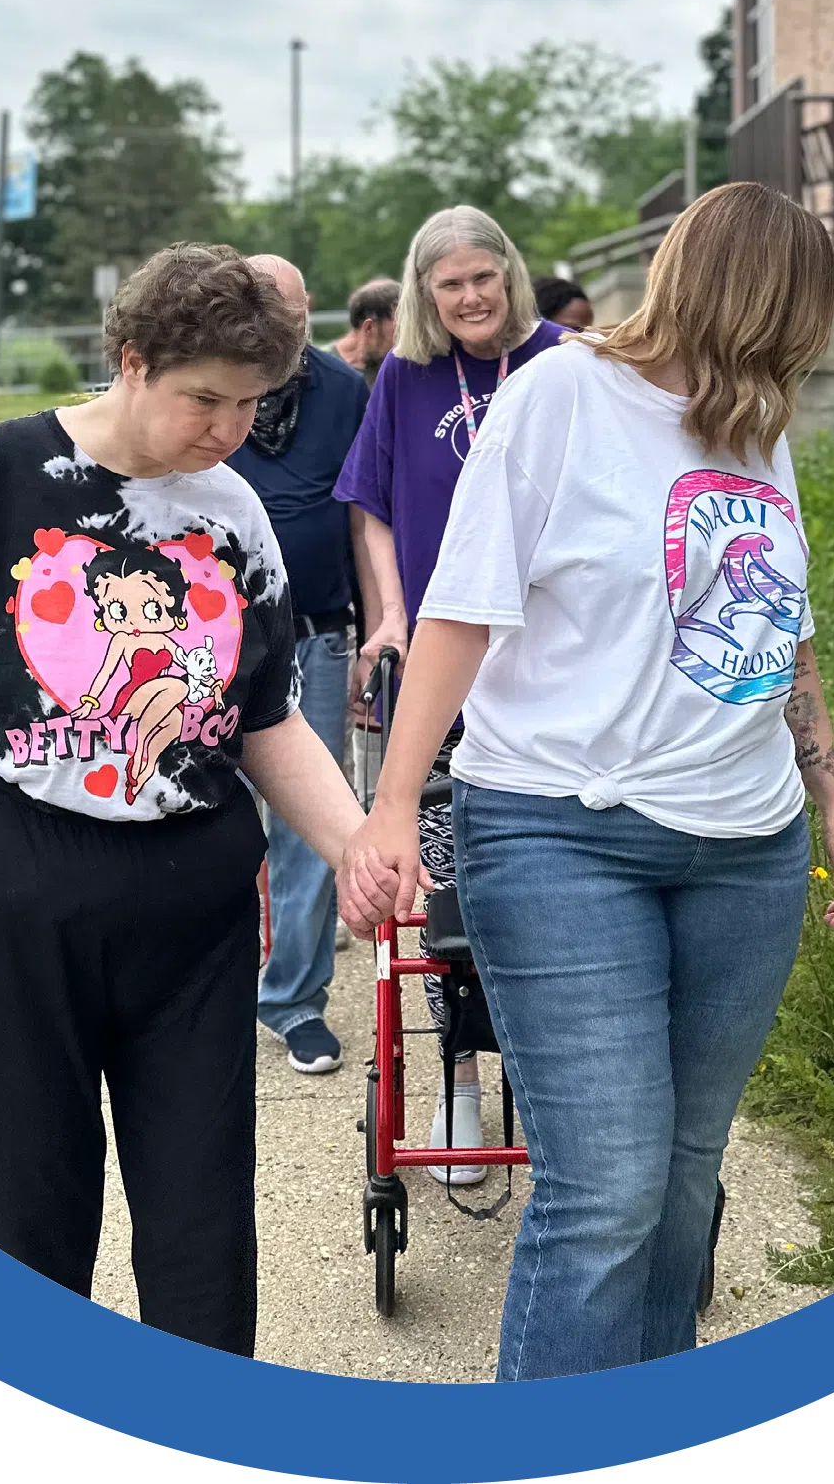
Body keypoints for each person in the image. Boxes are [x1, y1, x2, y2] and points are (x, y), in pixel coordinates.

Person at [341, 181, 834, 1380]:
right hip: (560, 831)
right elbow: (461, 613)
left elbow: (778, 628)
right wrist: (389, 804)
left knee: (687, 1178)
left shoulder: (756, 422)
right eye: (800, 314)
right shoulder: (560, 399)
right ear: (755, 301)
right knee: (608, 1191)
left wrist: (831, 794)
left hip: (746, 846)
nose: (807, 343)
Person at [0, 243, 370, 1358]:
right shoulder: (6, 470)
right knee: (23, 1198)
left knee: (197, 1200)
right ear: (131, 362)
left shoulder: (233, 514)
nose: (227, 428)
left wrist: (355, 846)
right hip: (16, 877)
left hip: (189, 894)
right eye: (204, 400)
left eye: (251, 404)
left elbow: (266, 717)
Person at [333, 205, 565, 1183]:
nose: (472, 297)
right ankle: (460, 1082)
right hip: (436, 668)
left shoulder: (565, 362)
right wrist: (388, 614)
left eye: (485, 277)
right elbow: (374, 507)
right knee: (443, 882)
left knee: (547, 882)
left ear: (510, 274)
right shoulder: (404, 377)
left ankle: (551, 1078)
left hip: (545, 671)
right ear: (426, 294)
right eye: (450, 283)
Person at [230, 254, 371, 1076]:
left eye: (291, 310)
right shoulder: (214, 387)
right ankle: (208, 986)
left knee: (309, 821)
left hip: (317, 634)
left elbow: (362, 518)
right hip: (215, 638)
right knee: (212, 816)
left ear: (310, 309)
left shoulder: (345, 391)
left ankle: (293, 1001)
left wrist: (368, 630)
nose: (278, 327)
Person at [332, 276, 400, 384]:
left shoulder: (402, 372)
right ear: (369, 328)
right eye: (398, 333)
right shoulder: (318, 369)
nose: (404, 342)